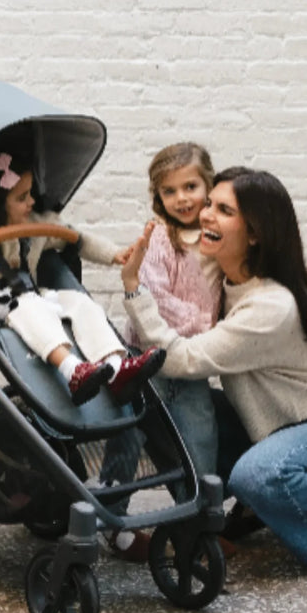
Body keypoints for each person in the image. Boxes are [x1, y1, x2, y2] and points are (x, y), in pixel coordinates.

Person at [121, 166, 307, 574]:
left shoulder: (270, 306)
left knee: (257, 475)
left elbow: (184, 357)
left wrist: (134, 288)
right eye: (209, 204)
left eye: (223, 210)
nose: (204, 214)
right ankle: (251, 506)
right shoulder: (222, 277)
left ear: (254, 233)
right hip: (263, 424)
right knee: (163, 415)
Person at [0, 142, 164, 407]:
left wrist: (115, 254)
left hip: (33, 292)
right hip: (0, 304)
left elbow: (75, 238)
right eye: (21, 198)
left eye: (30, 194)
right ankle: (72, 371)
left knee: (80, 302)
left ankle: (116, 368)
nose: (31, 201)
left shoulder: (36, 225)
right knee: (29, 305)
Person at [125, 142, 223, 476]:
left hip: (191, 363)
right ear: (158, 196)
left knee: (200, 437)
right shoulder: (160, 238)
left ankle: (201, 517)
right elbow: (155, 298)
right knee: (129, 437)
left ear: (209, 185)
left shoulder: (218, 236)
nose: (181, 199)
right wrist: (207, 325)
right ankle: (109, 518)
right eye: (170, 191)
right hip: (148, 358)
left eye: (190, 187)